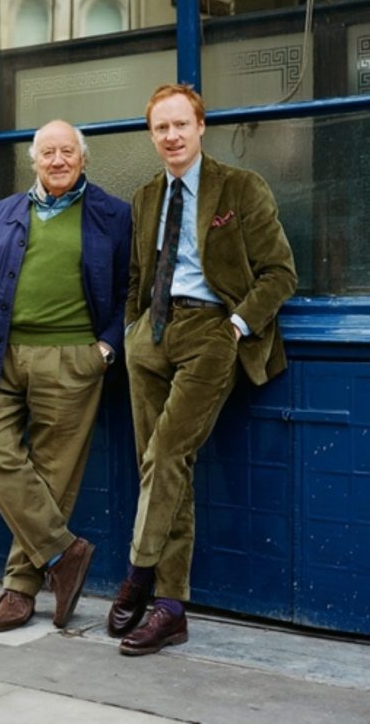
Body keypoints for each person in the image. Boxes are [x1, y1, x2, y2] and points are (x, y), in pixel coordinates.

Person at [108, 84, 297, 656]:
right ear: (152, 136)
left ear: (200, 127)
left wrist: (236, 327)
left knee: (166, 454)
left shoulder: (240, 187)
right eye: (161, 128)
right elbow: (138, 275)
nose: (171, 136)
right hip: (151, 335)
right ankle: (170, 607)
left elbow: (280, 273)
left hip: (212, 331)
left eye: (180, 125)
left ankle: (139, 573)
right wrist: (134, 329)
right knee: (163, 465)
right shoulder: (146, 197)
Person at [0, 119, 131, 632]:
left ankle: (19, 590)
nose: (57, 160)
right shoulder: (5, 211)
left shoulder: (113, 214)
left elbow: (132, 289)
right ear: (33, 160)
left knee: (53, 474)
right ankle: (63, 551)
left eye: (67, 152)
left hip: (72, 358)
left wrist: (106, 348)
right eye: (48, 153)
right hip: (1, 352)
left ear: (82, 158)